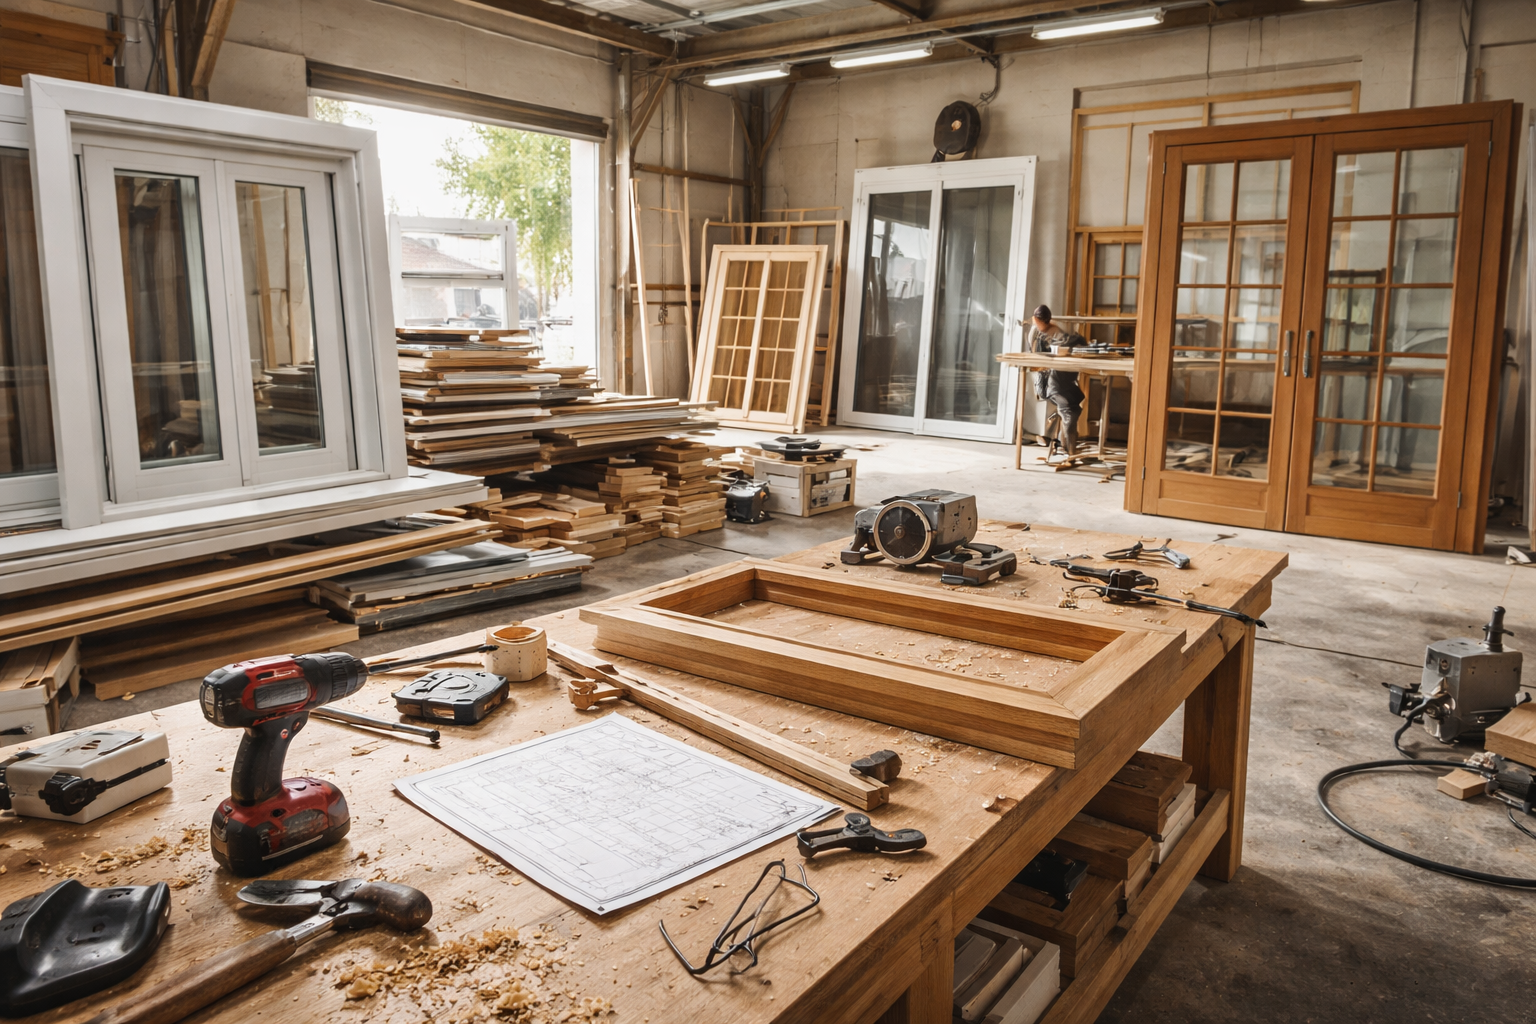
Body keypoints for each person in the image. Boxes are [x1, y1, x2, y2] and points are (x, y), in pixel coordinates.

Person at [1028, 304, 1085, 457]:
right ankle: (1069, 449)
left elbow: (1064, 352)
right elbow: (1037, 361)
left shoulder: (1056, 332)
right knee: (1069, 409)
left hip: (1058, 377)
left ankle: (1066, 444)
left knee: (1074, 405)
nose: (1040, 325)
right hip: (1045, 381)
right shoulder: (1034, 333)